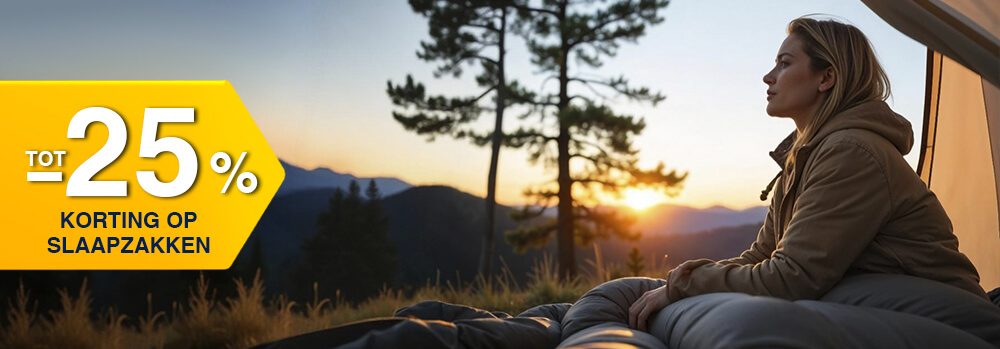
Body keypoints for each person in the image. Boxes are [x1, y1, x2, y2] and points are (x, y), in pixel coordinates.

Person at [627, 16, 988, 332]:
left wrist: (685, 285)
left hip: (948, 316)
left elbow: (790, 278)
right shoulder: (806, 156)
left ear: (826, 77)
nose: (768, 76)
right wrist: (677, 283)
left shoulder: (852, 153)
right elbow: (761, 257)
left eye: (784, 63)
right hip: (891, 306)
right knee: (624, 296)